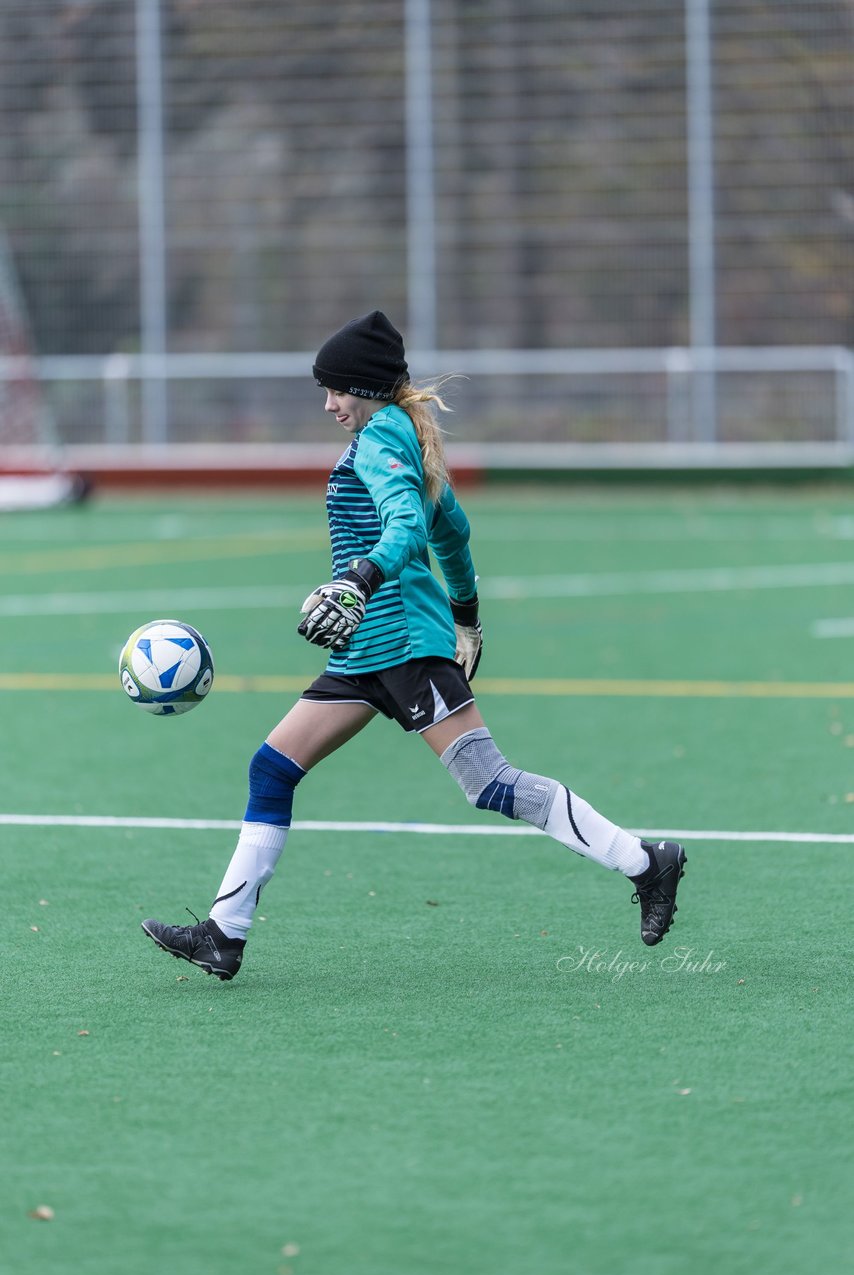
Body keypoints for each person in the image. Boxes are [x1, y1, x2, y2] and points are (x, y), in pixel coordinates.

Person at [142, 311, 686, 980]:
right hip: (365, 651)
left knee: (489, 782)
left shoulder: (381, 442)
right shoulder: (401, 437)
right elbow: (452, 532)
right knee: (272, 769)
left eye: (336, 390)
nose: (329, 404)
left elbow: (406, 525)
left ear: (367, 388)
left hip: (401, 643)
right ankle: (224, 935)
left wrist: (361, 579)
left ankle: (647, 862)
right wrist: (467, 617)